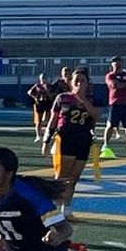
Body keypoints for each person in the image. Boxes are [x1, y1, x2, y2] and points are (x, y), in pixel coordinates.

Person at [42, 68, 98, 215]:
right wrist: (46, 140)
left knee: (74, 177)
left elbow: (97, 116)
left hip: (84, 139)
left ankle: (66, 207)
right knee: (62, 176)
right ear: (70, 82)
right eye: (76, 80)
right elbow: (53, 121)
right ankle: (53, 206)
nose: (79, 83)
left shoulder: (91, 98)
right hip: (66, 138)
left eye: (83, 80)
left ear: (87, 83)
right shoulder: (63, 98)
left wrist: (83, 99)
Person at [102, 57, 126, 154]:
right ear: (112, 65)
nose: (117, 65)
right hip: (115, 103)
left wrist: (125, 84)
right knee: (111, 125)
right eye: (115, 63)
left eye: (119, 63)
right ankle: (106, 144)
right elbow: (115, 85)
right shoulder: (110, 75)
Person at [26, 73, 56, 144]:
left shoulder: (49, 86)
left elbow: (52, 96)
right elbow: (29, 92)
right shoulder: (37, 86)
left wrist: (47, 91)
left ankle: (48, 133)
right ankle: (38, 135)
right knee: (38, 120)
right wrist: (35, 97)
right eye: (42, 78)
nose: (43, 80)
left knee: (48, 119)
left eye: (45, 78)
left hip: (47, 103)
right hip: (39, 103)